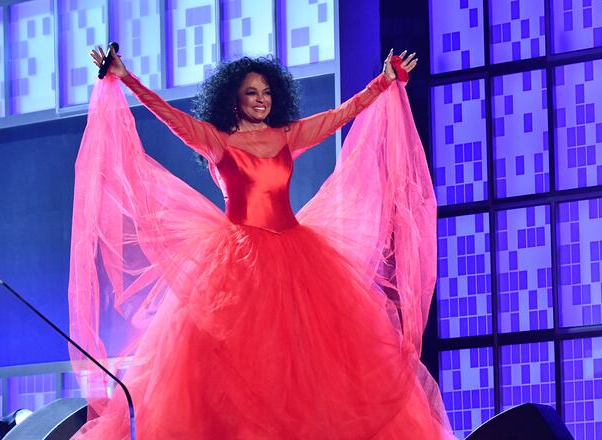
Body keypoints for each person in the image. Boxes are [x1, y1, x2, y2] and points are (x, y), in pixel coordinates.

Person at [67, 44, 454, 439]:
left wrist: (383, 81)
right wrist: (127, 78)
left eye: (267, 93)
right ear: (234, 99)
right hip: (236, 267)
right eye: (252, 93)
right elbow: (170, 117)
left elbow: (342, 115)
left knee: (307, 370)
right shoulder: (217, 141)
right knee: (239, 373)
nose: (261, 100)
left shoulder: (288, 136)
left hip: (296, 257)